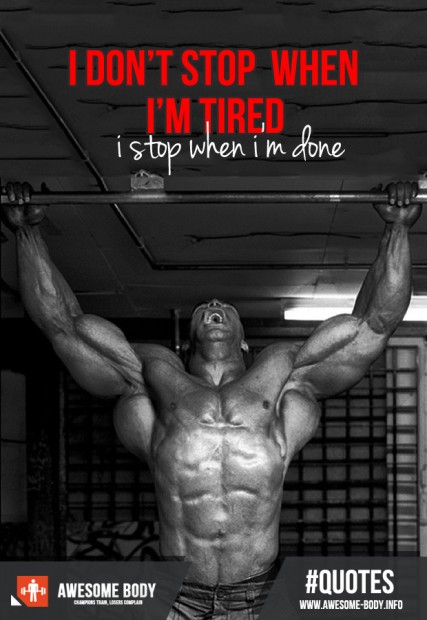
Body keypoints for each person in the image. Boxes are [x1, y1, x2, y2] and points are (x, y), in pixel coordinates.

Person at [2, 181, 422, 619]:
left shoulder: (284, 377)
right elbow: (63, 326)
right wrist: (27, 232)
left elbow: (373, 325)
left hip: (256, 597)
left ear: (245, 342)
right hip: (178, 597)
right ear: (187, 341)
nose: (215, 303)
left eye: (225, 306)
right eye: (204, 306)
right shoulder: (153, 377)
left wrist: (397, 228)